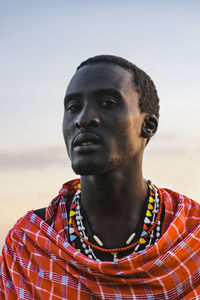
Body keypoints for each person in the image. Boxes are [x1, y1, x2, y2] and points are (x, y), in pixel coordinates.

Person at [0, 55, 199, 299]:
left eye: (107, 103)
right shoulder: (30, 245)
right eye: (73, 107)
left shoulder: (191, 235)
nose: (83, 119)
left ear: (148, 125)